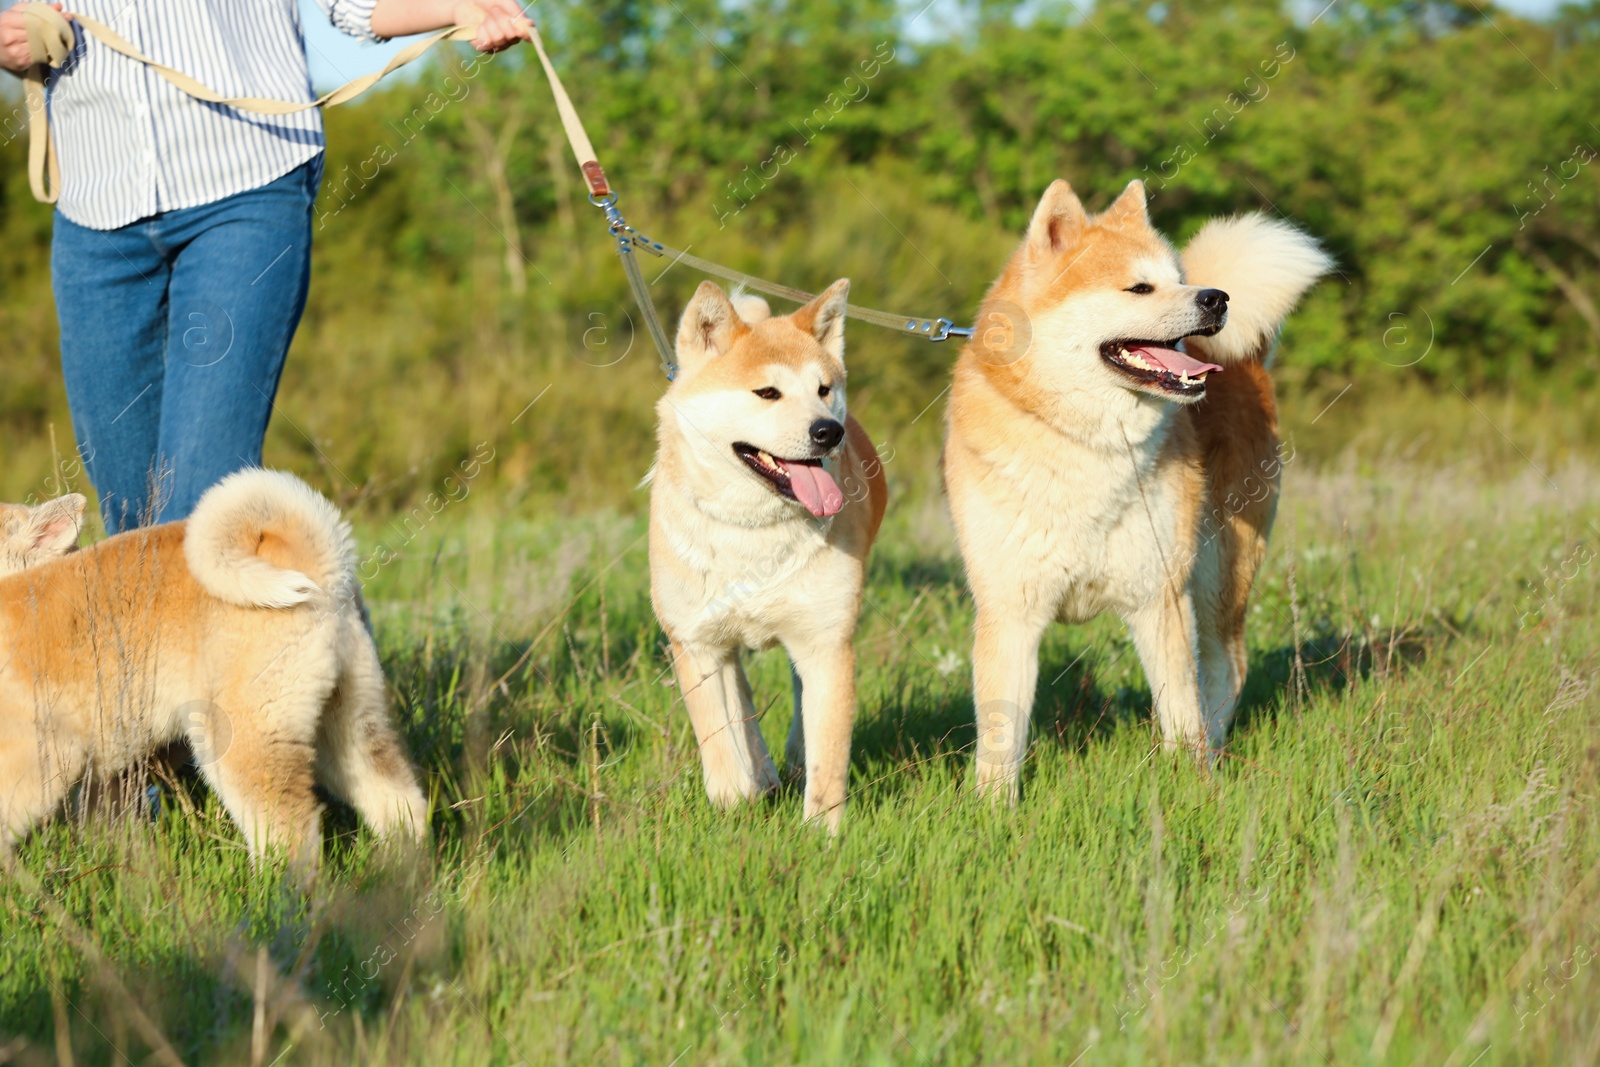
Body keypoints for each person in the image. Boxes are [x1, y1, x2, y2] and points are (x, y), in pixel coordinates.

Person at [0, 0, 531, 531]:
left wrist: (461, 7)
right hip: (95, 206)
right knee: (130, 519)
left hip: (247, 180)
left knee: (199, 509)